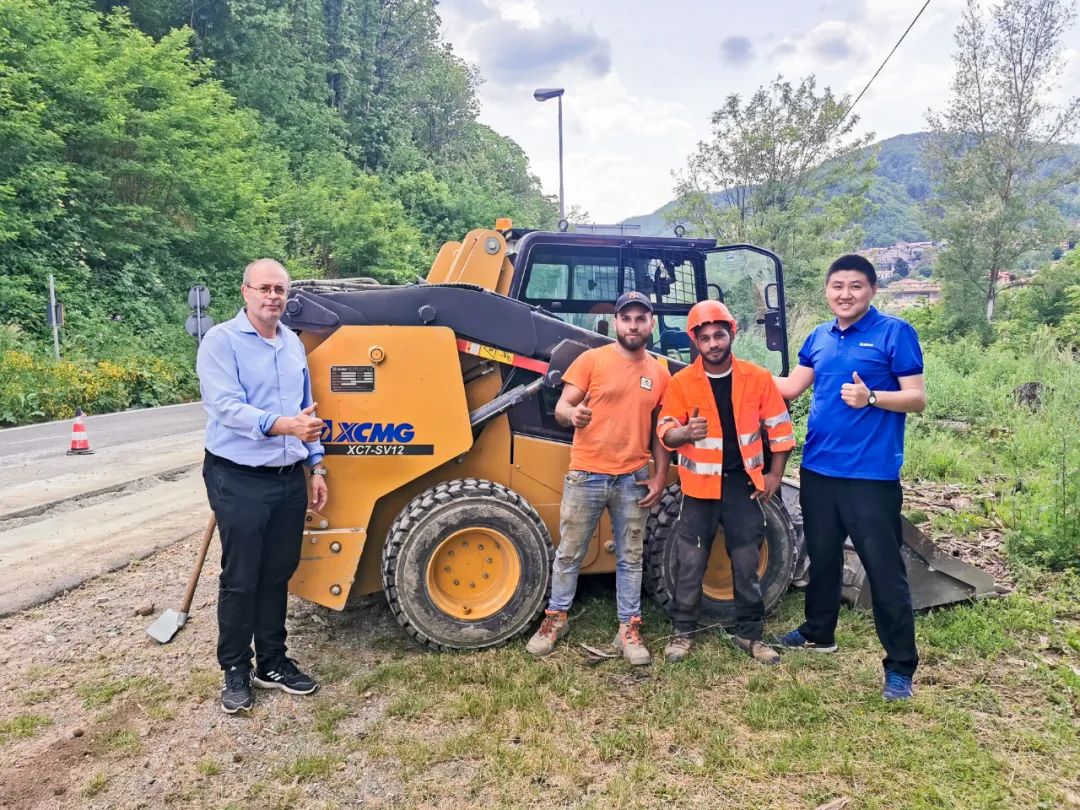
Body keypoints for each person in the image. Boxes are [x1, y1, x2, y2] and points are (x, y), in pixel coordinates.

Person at [773, 254, 926, 701]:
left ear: (872, 290)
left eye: (855, 286)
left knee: (884, 569)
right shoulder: (819, 337)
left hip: (870, 476)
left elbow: (916, 398)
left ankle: (900, 666)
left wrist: (872, 396)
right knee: (821, 557)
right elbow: (790, 387)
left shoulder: (895, 333)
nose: (845, 294)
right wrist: (729, 371)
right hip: (819, 469)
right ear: (827, 290)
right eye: (837, 286)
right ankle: (820, 632)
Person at [197, 258, 329, 714]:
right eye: (265, 288)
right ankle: (235, 667)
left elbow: (307, 412)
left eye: (280, 290)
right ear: (245, 291)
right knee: (241, 576)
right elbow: (226, 407)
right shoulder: (221, 342)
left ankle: (272, 662)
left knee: (278, 572)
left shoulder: (292, 344)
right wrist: (283, 425)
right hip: (238, 476)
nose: (273, 296)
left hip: (288, 477)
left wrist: (317, 466)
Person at [526, 290, 671, 665]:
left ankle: (629, 627)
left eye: (641, 318)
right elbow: (562, 406)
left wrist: (659, 478)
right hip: (587, 472)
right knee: (569, 552)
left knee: (631, 557)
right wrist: (572, 416)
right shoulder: (591, 360)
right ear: (617, 322)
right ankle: (556, 619)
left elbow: (661, 430)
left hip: (633, 477)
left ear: (650, 324)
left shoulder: (660, 372)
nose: (633, 325)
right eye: (627, 318)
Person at [656, 301, 794, 665]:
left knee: (747, 561)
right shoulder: (682, 382)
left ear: (731, 334)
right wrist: (684, 431)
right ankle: (682, 632)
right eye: (705, 338)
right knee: (691, 561)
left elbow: (780, 430)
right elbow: (665, 432)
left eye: (719, 335)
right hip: (699, 487)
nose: (713, 343)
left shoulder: (757, 378)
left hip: (742, 485)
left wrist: (774, 476)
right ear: (695, 342)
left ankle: (750, 634)